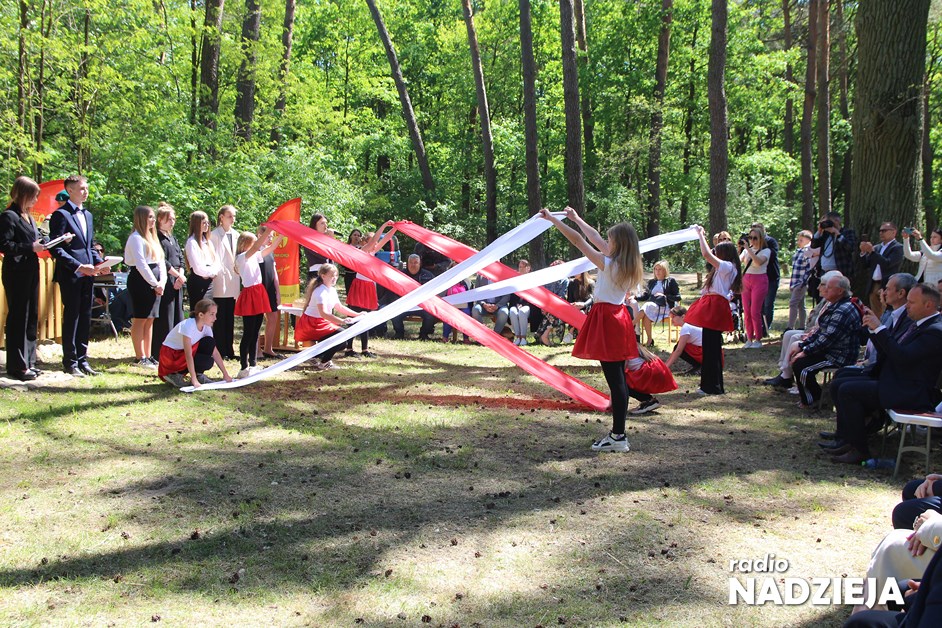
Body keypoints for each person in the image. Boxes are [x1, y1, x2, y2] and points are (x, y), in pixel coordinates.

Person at [538, 206, 643, 453]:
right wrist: (576, 218)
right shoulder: (625, 262)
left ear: (618, 244)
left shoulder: (611, 264)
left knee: (616, 380)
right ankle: (618, 434)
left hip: (608, 317)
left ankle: (618, 436)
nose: (606, 242)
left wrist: (554, 220)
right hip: (617, 317)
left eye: (610, 240)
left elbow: (579, 241)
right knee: (618, 379)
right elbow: (593, 236)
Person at [828, 283, 942, 465]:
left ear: (928, 305)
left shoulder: (935, 331)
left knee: (848, 390)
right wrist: (874, 330)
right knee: (841, 382)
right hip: (898, 380)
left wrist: (880, 329)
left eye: (912, 303)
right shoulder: (920, 324)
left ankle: (860, 449)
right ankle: (847, 439)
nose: (907, 306)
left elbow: (902, 357)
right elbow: (891, 351)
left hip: (911, 391)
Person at [48, 174, 104, 376]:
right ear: (70, 190)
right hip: (72, 274)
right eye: (81, 188)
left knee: (86, 315)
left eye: (87, 188)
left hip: (89, 274)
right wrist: (78, 266)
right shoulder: (61, 215)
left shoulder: (87, 215)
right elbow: (56, 248)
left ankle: (83, 358)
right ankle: (70, 361)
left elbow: (89, 244)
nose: (86, 192)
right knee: (72, 315)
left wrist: (99, 262)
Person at [786, 274, 862, 409]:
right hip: (829, 350)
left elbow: (828, 338)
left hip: (839, 355)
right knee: (798, 359)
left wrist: (805, 352)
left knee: (801, 366)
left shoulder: (843, 310)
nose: (825, 290)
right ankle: (816, 397)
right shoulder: (835, 305)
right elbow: (820, 331)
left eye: (829, 287)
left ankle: (813, 400)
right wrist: (802, 346)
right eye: (825, 286)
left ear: (840, 291)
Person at [0, 176, 49, 381]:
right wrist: (30, 247)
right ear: (23, 194)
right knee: (19, 316)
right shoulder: (9, 216)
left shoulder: (27, 216)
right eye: (33, 196)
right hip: (16, 271)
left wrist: (46, 241)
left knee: (31, 315)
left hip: (30, 269)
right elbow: (5, 245)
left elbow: (33, 238)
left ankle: (29, 361)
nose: (36, 200)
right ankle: (17, 365)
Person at [685, 225, 742, 395]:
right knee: (711, 346)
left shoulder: (727, 267)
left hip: (716, 306)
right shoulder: (726, 267)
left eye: (718, 251)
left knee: (711, 348)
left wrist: (701, 235)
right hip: (714, 304)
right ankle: (712, 385)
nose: (714, 254)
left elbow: (706, 254)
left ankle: (712, 386)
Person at [764, 270, 844, 390]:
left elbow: (827, 330)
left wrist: (810, 336)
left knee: (795, 338)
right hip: (814, 331)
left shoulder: (838, 305)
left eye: (822, 284)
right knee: (788, 334)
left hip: (823, 341)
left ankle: (788, 374)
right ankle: (785, 372)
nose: (818, 287)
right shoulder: (827, 301)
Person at [233, 227, 280, 378]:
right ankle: (243, 366)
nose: (257, 244)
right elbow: (255, 248)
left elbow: (270, 248)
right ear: (246, 243)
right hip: (250, 294)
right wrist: (268, 231)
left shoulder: (255, 256)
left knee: (255, 331)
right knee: (248, 332)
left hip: (259, 292)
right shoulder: (242, 257)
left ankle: (253, 364)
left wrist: (281, 234)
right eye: (253, 241)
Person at [343, 221, 395, 357]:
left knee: (366, 318)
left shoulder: (372, 252)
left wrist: (396, 228)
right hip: (360, 285)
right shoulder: (363, 251)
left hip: (369, 286)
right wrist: (383, 225)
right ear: (366, 241)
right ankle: (349, 348)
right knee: (354, 316)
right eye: (373, 240)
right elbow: (377, 239)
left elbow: (385, 240)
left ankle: (364, 349)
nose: (376, 243)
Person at [295, 264, 361, 370]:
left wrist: (358, 314)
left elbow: (339, 307)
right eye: (332, 275)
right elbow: (324, 314)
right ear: (323, 276)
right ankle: (324, 362)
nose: (334, 278)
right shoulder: (320, 292)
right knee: (341, 336)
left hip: (321, 322)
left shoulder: (332, 290)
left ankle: (313, 355)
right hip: (312, 324)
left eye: (336, 275)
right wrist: (342, 321)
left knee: (342, 341)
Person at [124, 205, 167, 368]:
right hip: (141, 281)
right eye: (150, 217)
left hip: (156, 282)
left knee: (150, 319)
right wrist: (155, 283)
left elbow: (161, 261)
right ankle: (139, 356)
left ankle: (148, 355)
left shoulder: (152, 237)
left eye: (153, 217)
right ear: (141, 218)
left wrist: (162, 282)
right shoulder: (136, 238)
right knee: (140, 319)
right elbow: (141, 264)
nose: (153, 220)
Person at [158, 298, 233, 389]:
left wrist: (225, 374)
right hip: (171, 356)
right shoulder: (188, 326)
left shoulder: (206, 327)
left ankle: (198, 375)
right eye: (212, 314)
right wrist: (193, 380)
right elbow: (188, 354)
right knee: (203, 357)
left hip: (182, 355)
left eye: (215, 314)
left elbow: (215, 352)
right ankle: (174, 374)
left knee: (209, 348)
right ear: (201, 315)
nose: (215, 318)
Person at [151, 202, 186, 361]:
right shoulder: (156, 237)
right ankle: (160, 352)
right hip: (166, 279)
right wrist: (175, 275)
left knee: (178, 316)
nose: (172, 222)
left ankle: (175, 350)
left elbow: (180, 258)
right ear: (160, 219)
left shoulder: (172, 238)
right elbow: (162, 260)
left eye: (173, 219)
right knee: (165, 317)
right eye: (169, 219)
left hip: (177, 279)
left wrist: (182, 275)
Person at [209, 205, 240, 359]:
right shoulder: (214, 235)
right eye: (229, 216)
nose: (232, 219)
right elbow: (214, 257)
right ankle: (220, 348)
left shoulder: (236, 234)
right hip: (221, 279)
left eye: (234, 216)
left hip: (233, 279)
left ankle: (229, 349)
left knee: (230, 315)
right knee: (220, 316)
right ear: (221, 217)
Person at [809, 211, 857, 304]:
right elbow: (813, 245)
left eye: (828, 222)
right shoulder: (826, 235)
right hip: (823, 272)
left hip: (839, 272)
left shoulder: (847, 233)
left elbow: (850, 247)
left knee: (836, 297)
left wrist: (837, 234)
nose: (827, 224)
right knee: (823, 297)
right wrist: (819, 231)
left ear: (837, 221)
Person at [861, 222, 904, 318]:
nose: (881, 233)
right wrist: (863, 253)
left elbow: (887, 264)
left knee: (887, 311)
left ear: (894, 232)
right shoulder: (877, 247)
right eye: (880, 231)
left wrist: (872, 252)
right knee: (876, 312)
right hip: (874, 284)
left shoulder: (897, 247)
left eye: (884, 230)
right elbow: (866, 265)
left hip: (887, 284)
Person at [635, 260, 681, 347]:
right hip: (653, 307)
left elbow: (678, 297)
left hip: (667, 307)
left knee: (647, 306)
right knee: (646, 312)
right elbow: (645, 296)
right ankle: (649, 339)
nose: (657, 271)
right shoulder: (652, 282)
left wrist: (664, 296)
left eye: (660, 269)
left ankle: (631, 325)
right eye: (655, 269)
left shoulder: (671, 281)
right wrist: (635, 298)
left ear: (665, 270)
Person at [739, 226, 771, 348]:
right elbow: (738, 260)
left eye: (755, 238)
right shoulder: (747, 250)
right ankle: (749, 338)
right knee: (746, 311)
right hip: (746, 279)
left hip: (760, 280)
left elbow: (758, 262)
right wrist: (740, 249)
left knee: (755, 311)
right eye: (750, 237)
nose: (752, 240)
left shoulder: (766, 251)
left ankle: (758, 338)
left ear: (761, 238)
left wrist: (748, 248)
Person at [392, 254, 436, 340]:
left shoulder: (428, 275)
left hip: (422, 305)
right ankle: (399, 333)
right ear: (407, 264)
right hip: (404, 305)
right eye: (411, 262)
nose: (413, 265)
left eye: (416, 262)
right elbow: (394, 291)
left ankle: (424, 334)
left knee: (430, 315)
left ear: (420, 264)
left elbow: (433, 292)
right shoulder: (400, 275)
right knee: (394, 314)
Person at [184, 211, 221, 310]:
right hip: (198, 282)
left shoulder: (207, 242)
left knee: (208, 312)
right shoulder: (192, 242)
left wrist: (214, 272)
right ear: (196, 224)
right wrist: (210, 273)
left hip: (209, 281)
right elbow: (197, 267)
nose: (207, 225)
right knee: (199, 312)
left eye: (208, 223)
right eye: (204, 223)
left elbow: (216, 260)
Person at [257, 225, 283, 361]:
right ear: (259, 235)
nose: (270, 239)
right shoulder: (255, 251)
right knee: (257, 320)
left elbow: (274, 273)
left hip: (270, 288)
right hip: (259, 288)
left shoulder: (270, 252)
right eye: (269, 236)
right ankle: (257, 350)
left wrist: (278, 292)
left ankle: (268, 348)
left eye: (273, 236)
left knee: (273, 317)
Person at [663, 305, 711, 376]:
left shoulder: (686, 327)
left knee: (679, 348)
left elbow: (678, 350)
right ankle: (699, 367)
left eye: (673, 317)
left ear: (683, 316)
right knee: (679, 346)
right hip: (712, 355)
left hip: (709, 355)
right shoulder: (689, 325)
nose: (671, 320)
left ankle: (701, 367)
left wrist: (665, 367)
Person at [752, 222, 780, 337]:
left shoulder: (771, 241)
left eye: (758, 229)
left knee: (768, 304)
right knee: (759, 305)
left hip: (771, 276)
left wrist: (762, 246)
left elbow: (772, 255)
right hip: (756, 278)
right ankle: (757, 328)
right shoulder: (751, 245)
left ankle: (766, 328)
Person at [788, 230, 813, 331]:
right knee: (801, 305)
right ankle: (802, 326)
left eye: (801, 240)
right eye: (798, 240)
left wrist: (804, 281)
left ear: (808, 240)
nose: (798, 242)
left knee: (793, 303)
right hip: (795, 281)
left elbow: (809, 267)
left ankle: (790, 327)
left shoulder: (808, 251)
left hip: (801, 282)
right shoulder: (799, 251)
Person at [508, 259, 533, 346]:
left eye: (524, 267)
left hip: (528, 305)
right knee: (512, 311)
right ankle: (517, 337)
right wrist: (517, 304)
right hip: (516, 304)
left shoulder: (532, 279)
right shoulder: (515, 280)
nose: (521, 269)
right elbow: (513, 296)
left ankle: (523, 337)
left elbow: (533, 295)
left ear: (528, 268)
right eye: (520, 267)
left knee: (522, 312)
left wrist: (523, 305)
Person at [303, 213, 333, 283]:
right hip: (316, 274)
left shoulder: (324, 240)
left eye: (326, 223)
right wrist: (330, 239)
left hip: (328, 273)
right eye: (322, 223)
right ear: (315, 225)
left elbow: (332, 257)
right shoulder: (309, 240)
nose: (326, 226)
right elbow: (324, 255)